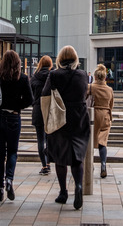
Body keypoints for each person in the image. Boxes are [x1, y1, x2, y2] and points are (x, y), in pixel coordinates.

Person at [0, 50, 33, 202]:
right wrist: (17, 105)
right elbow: (30, 99)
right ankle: (9, 179)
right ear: (18, 63)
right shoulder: (22, 78)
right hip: (13, 117)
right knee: (12, 152)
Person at [41, 45, 89, 210]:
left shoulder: (54, 75)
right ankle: (79, 186)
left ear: (59, 59)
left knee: (60, 156)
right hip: (80, 118)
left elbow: (45, 94)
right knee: (77, 157)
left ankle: (63, 192)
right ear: (75, 59)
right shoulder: (83, 75)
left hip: (59, 119)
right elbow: (85, 93)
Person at [87, 64, 114, 178]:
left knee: (90, 142)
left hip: (93, 115)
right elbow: (111, 105)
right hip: (105, 116)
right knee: (102, 142)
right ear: (104, 78)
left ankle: (90, 165)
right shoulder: (109, 90)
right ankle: (103, 164)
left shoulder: (91, 87)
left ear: (95, 76)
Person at [30, 55, 53, 176]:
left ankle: (44, 165)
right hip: (49, 108)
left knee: (40, 139)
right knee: (49, 138)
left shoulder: (34, 77)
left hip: (38, 109)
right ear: (50, 64)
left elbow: (30, 94)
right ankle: (49, 162)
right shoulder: (52, 76)